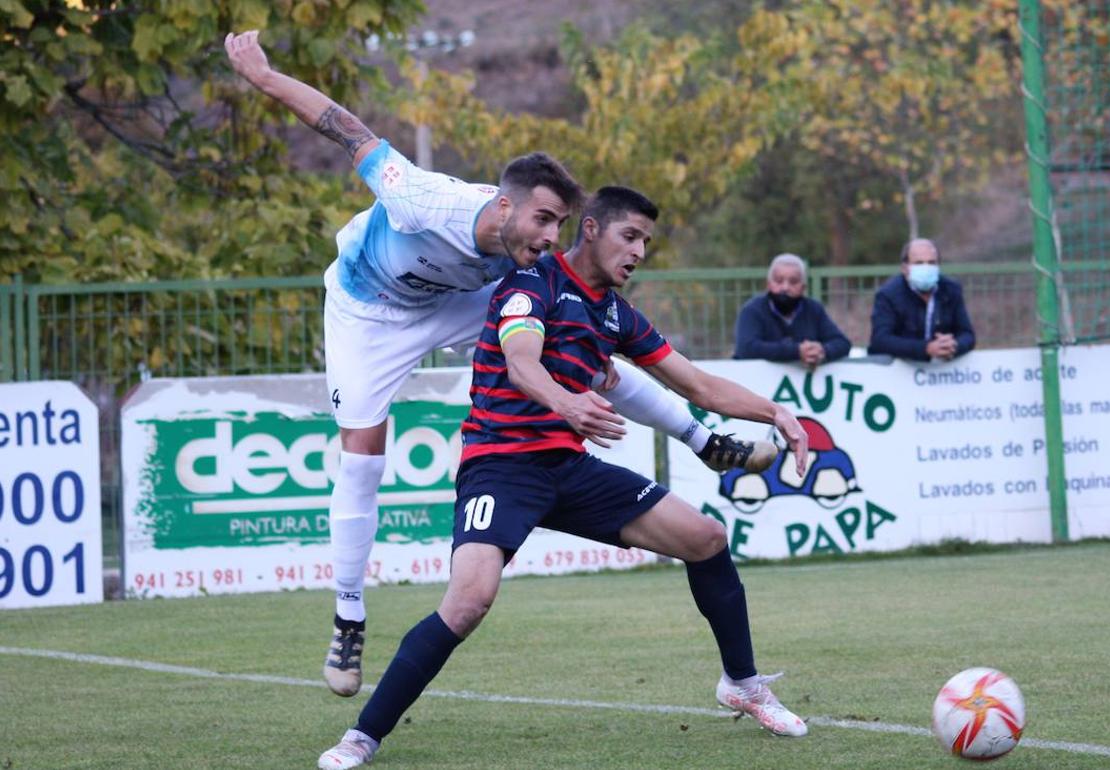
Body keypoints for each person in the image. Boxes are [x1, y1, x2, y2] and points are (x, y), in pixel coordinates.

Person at [223, 31, 777, 698]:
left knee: (584, 350)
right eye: (545, 222)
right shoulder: (421, 198)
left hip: (456, 301)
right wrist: (263, 76)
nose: (552, 239)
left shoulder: (527, 259)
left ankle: (703, 438)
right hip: (368, 309)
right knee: (365, 454)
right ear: (504, 206)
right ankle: (348, 613)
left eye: (560, 226)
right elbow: (344, 126)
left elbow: (572, 309)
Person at [316, 186, 812, 768]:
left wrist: (776, 412)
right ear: (593, 229)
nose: (640, 252)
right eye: (631, 236)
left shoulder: (616, 314)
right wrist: (569, 405)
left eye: (647, 242)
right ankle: (362, 737)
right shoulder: (533, 284)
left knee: (706, 539)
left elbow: (698, 385)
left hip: (569, 469)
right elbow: (523, 362)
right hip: (499, 464)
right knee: (469, 602)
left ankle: (743, 684)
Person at [733, 252, 851, 367]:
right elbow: (746, 348)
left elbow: (842, 343)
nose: (785, 287)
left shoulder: (814, 309)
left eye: (793, 282)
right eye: (779, 281)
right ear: (768, 284)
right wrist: (796, 351)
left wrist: (821, 351)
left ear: (803, 287)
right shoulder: (752, 309)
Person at [867, 238, 976, 362]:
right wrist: (925, 348)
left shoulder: (951, 290)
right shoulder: (888, 295)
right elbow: (880, 340)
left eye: (932, 262)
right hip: (899, 372)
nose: (926, 267)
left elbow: (967, 335)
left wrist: (953, 346)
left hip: (944, 375)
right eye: (919, 263)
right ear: (904, 268)